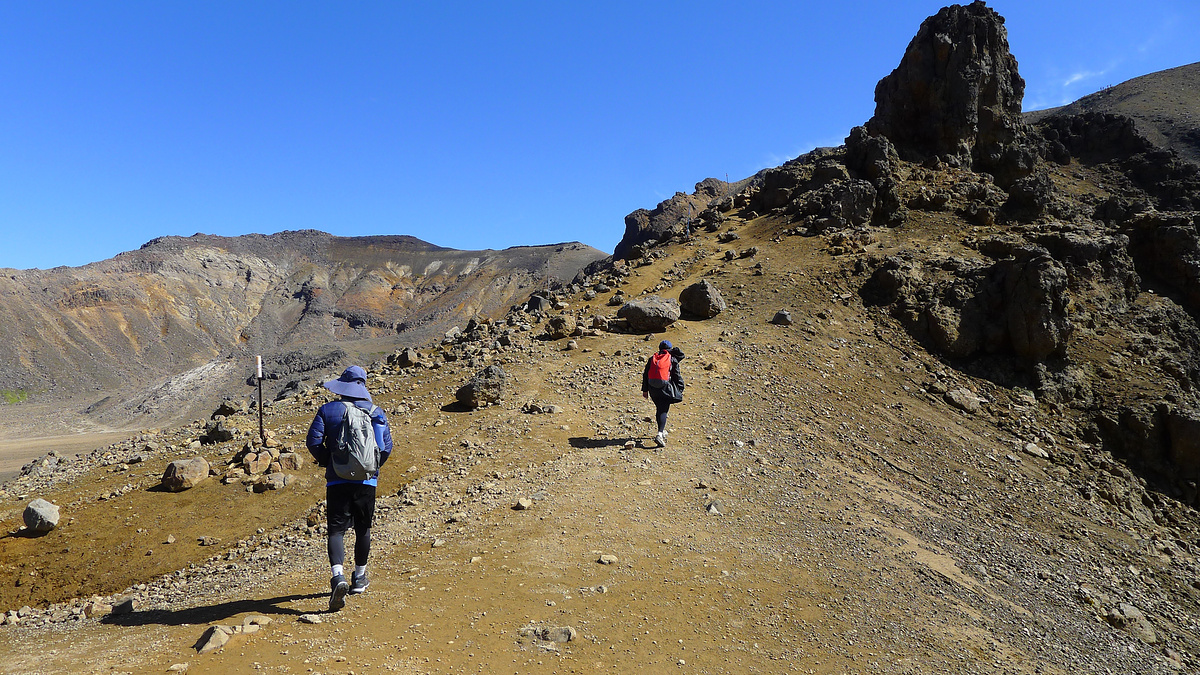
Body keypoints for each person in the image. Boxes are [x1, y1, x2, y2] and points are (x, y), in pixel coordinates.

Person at [306, 365, 393, 611]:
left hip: (337, 479)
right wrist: (372, 468)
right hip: (367, 481)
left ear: (343, 386)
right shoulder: (377, 412)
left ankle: (338, 576)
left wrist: (329, 460)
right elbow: (386, 447)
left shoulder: (328, 410)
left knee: (336, 530)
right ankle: (360, 578)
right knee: (363, 528)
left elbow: (313, 441)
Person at [642, 340, 685, 447]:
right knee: (663, 410)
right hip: (665, 388)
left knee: (660, 409)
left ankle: (661, 430)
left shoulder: (652, 359)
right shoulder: (671, 359)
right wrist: (680, 388)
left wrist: (645, 390)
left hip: (653, 389)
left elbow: (645, 374)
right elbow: (676, 375)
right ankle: (660, 434)